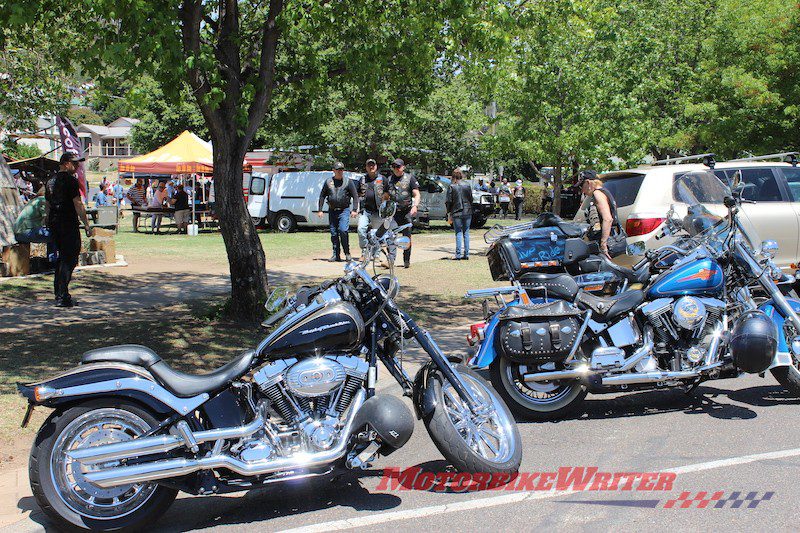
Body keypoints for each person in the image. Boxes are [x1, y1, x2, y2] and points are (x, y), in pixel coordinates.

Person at [45, 152, 93, 307]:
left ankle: (59, 292)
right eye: (75, 163)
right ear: (65, 163)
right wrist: (86, 223)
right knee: (70, 257)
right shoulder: (71, 181)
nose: (77, 166)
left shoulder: (50, 181)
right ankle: (62, 295)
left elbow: (47, 204)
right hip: (67, 223)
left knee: (61, 258)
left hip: (54, 223)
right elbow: (78, 203)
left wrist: (47, 220)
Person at [317, 162, 359, 262]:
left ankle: (347, 253)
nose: (340, 171)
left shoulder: (348, 182)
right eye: (338, 170)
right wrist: (320, 210)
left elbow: (355, 196)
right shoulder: (328, 182)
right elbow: (322, 196)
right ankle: (336, 255)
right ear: (334, 170)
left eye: (341, 169)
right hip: (332, 210)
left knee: (343, 230)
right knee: (334, 233)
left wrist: (354, 210)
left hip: (344, 210)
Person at [578, 170, 623, 258]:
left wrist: (603, 243)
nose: (582, 190)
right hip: (612, 236)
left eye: (581, 186)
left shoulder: (597, 193)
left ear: (588, 183)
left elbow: (608, 219)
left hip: (608, 240)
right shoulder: (604, 192)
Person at [386, 158, 420, 268]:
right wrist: (384, 206)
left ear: (403, 167)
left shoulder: (410, 178)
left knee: (407, 237)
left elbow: (416, 194)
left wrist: (415, 206)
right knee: (391, 236)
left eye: (398, 166)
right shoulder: (389, 179)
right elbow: (386, 196)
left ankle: (406, 260)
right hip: (393, 213)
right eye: (394, 167)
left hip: (406, 212)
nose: (396, 169)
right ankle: (390, 260)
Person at [357, 158, 384, 259]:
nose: (371, 167)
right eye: (369, 165)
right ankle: (364, 252)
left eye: (373, 165)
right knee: (361, 229)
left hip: (378, 211)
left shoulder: (382, 179)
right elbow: (357, 193)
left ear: (376, 166)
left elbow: (387, 194)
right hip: (365, 210)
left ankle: (376, 255)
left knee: (377, 234)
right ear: (366, 167)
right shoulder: (362, 179)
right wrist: (356, 208)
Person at [446, 168, 473, 260]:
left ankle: (458, 255)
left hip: (456, 211)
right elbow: (471, 199)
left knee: (458, 233)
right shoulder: (467, 185)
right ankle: (467, 254)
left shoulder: (452, 186)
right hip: (468, 211)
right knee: (466, 232)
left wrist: (448, 212)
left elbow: (448, 201)